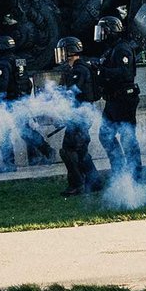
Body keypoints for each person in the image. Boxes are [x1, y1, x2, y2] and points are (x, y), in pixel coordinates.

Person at [0, 35, 53, 171]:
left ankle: (9, 164)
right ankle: (47, 151)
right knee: (25, 131)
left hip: (9, 102)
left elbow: (2, 84)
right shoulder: (19, 60)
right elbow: (27, 82)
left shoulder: (3, 63)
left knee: (4, 132)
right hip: (20, 100)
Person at [96, 16, 142, 178]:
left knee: (127, 136)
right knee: (105, 134)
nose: (101, 34)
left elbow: (125, 73)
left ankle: (136, 174)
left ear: (111, 31)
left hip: (124, 99)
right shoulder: (113, 48)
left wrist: (102, 72)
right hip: (113, 99)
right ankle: (119, 167)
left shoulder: (122, 49)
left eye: (104, 30)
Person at [55, 37, 101, 195]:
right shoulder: (81, 67)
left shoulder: (79, 69)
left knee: (68, 150)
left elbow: (73, 92)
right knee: (81, 150)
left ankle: (77, 184)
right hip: (82, 113)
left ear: (70, 51)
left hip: (80, 115)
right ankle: (94, 182)